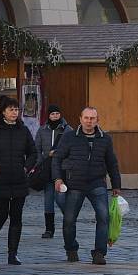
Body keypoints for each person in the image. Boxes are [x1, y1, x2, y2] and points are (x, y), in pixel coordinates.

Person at [53, 107, 122, 265]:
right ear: (80, 119)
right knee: (69, 220)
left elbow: (112, 163)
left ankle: (99, 253)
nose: (89, 121)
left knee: (104, 217)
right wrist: (58, 178)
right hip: (74, 183)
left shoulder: (105, 138)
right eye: (86, 118)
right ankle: (71, 249)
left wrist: (116, 184)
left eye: (92, 118)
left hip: (97, 183)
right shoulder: (69, 137)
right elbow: (57, 158)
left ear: (97, 120)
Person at [0, 97, 37, 265]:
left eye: (16, 110)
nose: (14, 113)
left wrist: (26, 167)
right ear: (3, 111)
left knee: (16, 217)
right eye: (11, 109)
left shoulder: (23, 130)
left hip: (19, 180)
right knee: (1, 215)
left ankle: (13, 253)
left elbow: (33, 153)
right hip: (0, 180)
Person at [35, 104, 72, 239]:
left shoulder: (68, 130)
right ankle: (49, 229)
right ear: (48, 116)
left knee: (60, 198)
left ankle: (69, 220)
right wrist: (42, 160)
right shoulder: (42, 130)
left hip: (62, 170)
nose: (55, 116)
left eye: (57, 113)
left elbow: (72, 149)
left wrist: (60, 154)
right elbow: (37, 149)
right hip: (47, 169)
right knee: (48, 200)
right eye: (52, 114)